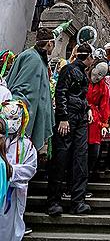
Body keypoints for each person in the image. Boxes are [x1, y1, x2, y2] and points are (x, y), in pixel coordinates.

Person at [47, 42, 93, 217]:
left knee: (80, 158)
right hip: (69, 117)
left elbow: (79, 95)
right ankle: (54, 201)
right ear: (87, 57)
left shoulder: (81, 72)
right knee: (61, 158)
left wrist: (87, 108)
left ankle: (78, 201)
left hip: (80, 116)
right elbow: (61, 92)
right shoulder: (69, 70)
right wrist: (63, 117)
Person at [6, 28, 55, 151]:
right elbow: (25, 90)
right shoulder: (34, 59)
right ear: (49, 43)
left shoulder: (35, 56)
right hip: (25, 119)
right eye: (54, 43)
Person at [0, 99, 37, 241]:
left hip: (15, 193)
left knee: (12, 226)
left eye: (15, 118)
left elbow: (31, 168)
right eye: (8, 118)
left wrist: (11, 172)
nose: (12, 122)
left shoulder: (26, 144)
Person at [86, 59, 110, 179]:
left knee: (94, 150)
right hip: (82, 117)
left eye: (102, 75)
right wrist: (86, 107)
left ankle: (90, 172)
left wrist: (104, 125)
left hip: (96, 121)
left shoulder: (103, 86)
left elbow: (105, 106)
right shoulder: (83, 80)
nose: (98, 77)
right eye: (96, 73)